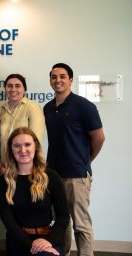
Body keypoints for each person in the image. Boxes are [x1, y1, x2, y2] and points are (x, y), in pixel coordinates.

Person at [44, 63, 105, 256]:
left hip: (77, 175)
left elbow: (99, 137)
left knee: (81, 224)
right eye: (54, 77)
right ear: (50, 80)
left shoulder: (84, 106)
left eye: (62, 76)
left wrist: (85, 161)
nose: (58, 80)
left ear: (70, 79)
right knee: (62, 222)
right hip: (53, 174)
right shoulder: (48, 108)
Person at [0, 127, 70, 256]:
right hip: (18, 241)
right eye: (17, 146)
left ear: (35, 146)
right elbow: (8, 221)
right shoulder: (4, 181)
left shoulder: (51, 177)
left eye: (27, 144)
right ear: (11, 149)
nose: (22, 150)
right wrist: (33, 245)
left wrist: (48, 241)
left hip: (48, 238)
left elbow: (63, 216)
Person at [0, 74, 44, 173]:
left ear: (24, 89)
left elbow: (36, 141)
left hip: (26, 169)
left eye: (18, 86)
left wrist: (20, 168)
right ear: (5, 89)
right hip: (3, 168)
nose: (13, 89)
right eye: (9, 86)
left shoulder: (32, 107)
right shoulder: (0, 110)